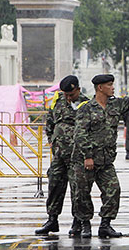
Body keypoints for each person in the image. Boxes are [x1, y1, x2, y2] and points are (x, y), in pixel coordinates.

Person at [71, 74, 129, 238]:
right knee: (81, 194)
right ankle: (85, 225)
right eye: (110, 85)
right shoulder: (86, 108)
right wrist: (87, 156)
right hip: (85, 161)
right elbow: (80, 134)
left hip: (105, 161)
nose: (113, 88)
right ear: (100, 88)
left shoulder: (115, 105)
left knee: (113, 191)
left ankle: (105, 225)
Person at [35, 75, 89, 236]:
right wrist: (52, 140)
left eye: (71, 94)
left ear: (78, 90)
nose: (68, 97)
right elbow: (50, 122)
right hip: (59, 155)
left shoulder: (86, 104)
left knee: (78, 189)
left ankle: (78, 222)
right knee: (54, 186)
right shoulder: (57, 102)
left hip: (76, 155)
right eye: (65, 94)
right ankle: (52, 220)